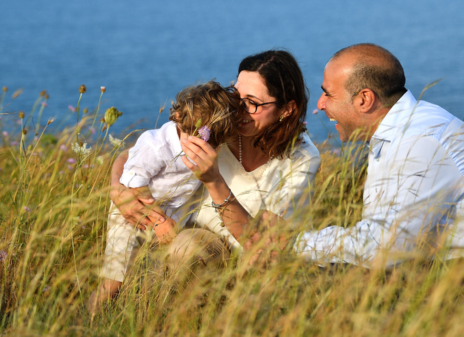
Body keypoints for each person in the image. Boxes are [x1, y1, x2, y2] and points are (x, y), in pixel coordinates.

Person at [98, 50, 321, 304]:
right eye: (237, 95)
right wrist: (118, 188)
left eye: (253, 103)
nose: (239, 109)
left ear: (287, 109)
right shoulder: (220, 128)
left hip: (246, 264)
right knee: (184, 248)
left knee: (186, 249)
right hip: (187, 240)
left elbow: (264, 249)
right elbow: (137, 153)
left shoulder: (301, 159)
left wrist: (214, 181)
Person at [297, 43, 464, 279]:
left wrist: (295, 243)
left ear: (364, 99)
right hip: (459, 274)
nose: (320, 104)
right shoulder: (401, 131)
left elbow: (383, 248)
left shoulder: (417, 142)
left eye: (328, 93)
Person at [89, 81, 240, 311]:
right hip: (132, 217)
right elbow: (133, 182)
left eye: (211, 143)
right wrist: (159, 221)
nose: (201, 149)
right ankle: (88, 318)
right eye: (195, 139)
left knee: (148, 277)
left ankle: (129, 316)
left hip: (168, 222)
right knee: (114, 280)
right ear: (177, 117)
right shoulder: (155, 145)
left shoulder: (208, 140)